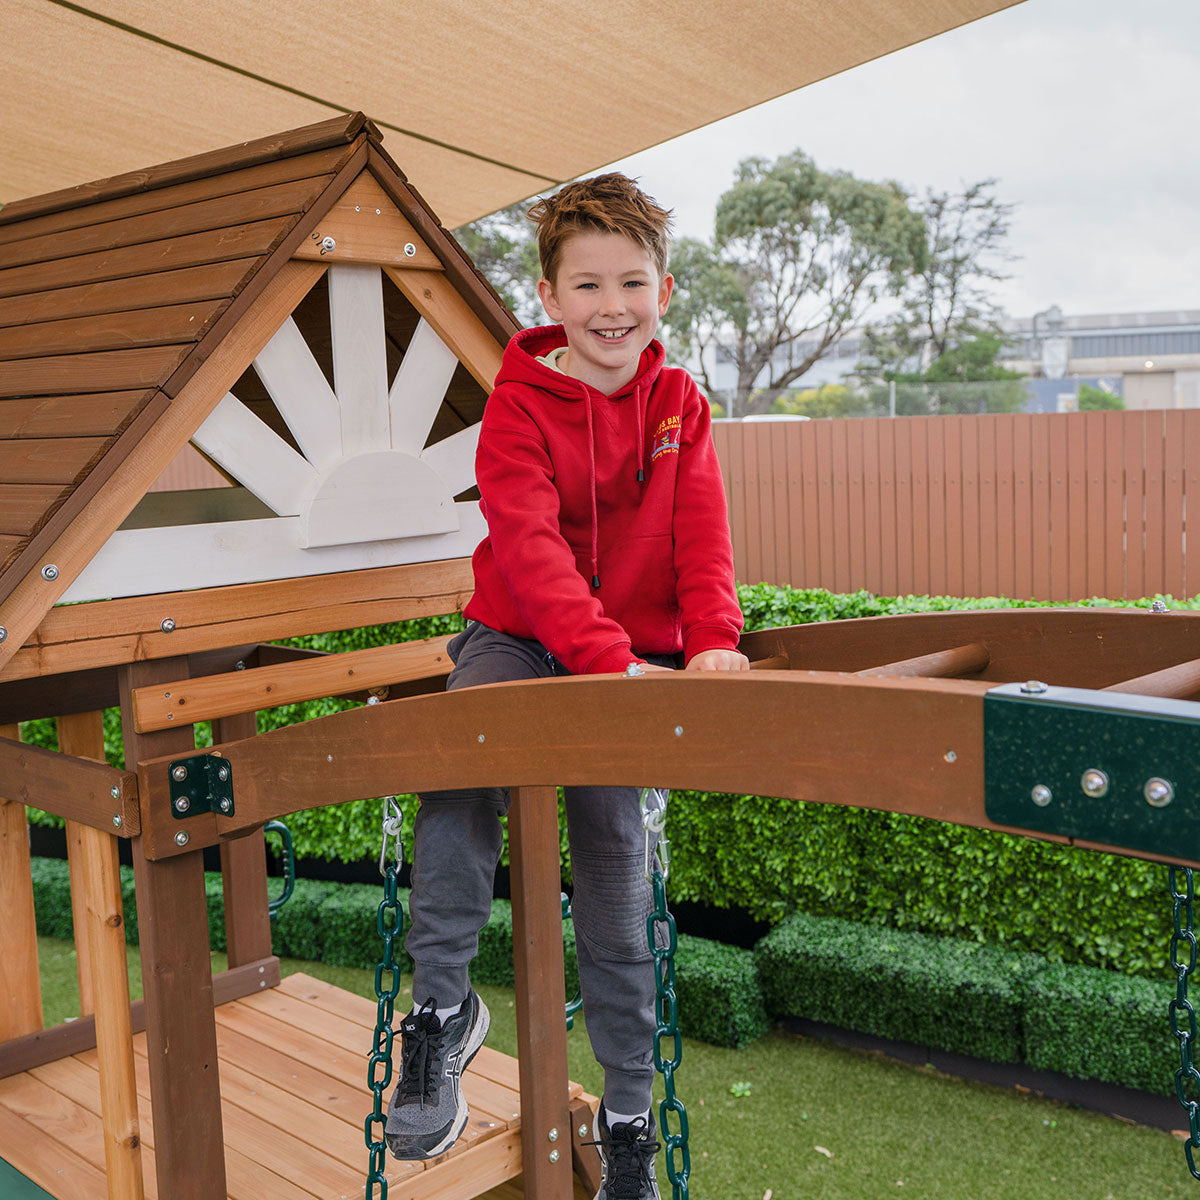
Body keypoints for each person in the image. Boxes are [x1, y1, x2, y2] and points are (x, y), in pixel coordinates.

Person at [385, 172, 748, 1200]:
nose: (611, 306)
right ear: (549, 297)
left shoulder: (679, 405)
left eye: (632, 283)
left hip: (623, 656)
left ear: (663, 292)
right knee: (460, 776)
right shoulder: (516, 407)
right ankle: (440, 1011)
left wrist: (713, 641)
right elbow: (532, 552)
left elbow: (701, 535)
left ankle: (627, 1106)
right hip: (519, 639)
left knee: (614, 859)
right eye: (587, 285)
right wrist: (606, 662)